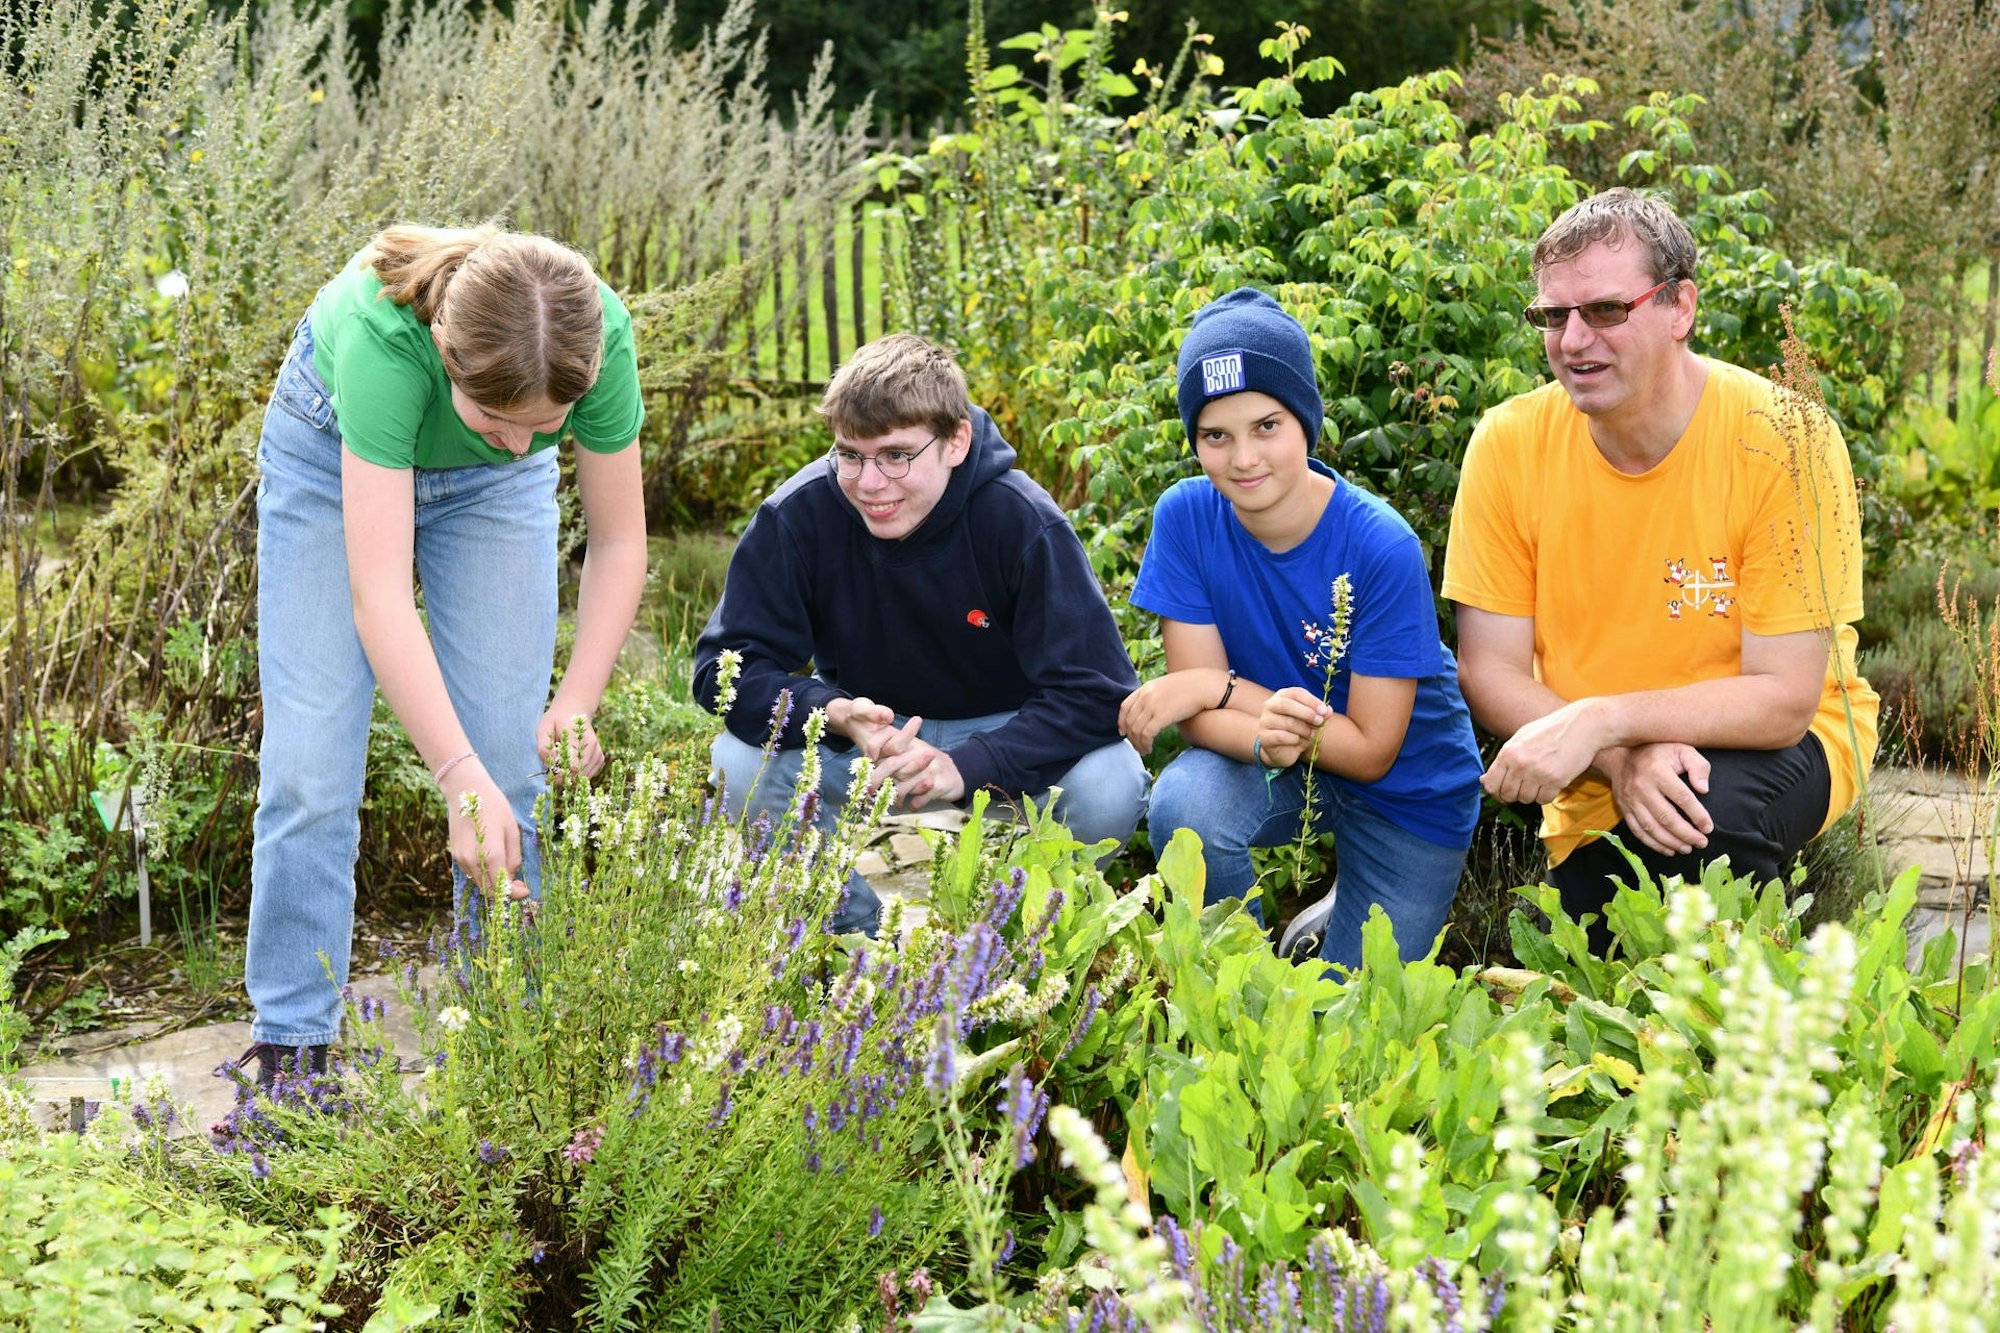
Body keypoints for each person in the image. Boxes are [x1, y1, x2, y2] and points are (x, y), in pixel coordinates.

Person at [243, 224, 647, 1085]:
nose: (519, 442)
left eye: (544, 427)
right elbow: (381, 598)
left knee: (508, 763)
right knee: (311, 767)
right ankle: (291, 1055)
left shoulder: (594, 340)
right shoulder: (382, 339)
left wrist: (576, 700)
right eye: (497, 420)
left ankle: (503, 1053)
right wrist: (454, 776)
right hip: (328, 449)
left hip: (492, 499)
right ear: (443, 351)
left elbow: (618, 541)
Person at [1441, 188, 1878, 950]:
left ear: (1680, 307)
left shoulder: (1785, 438)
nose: (1574, 339)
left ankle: (1752, 1006)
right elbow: (1488, 668)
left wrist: (1603, 720)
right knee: (1597, 954)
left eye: (1606, 310)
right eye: (1553, 315)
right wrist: (1618, 757)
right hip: (1601, 772)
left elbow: (1784, 698)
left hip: (1782, 739)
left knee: (1709, 822)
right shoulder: (1508, 445)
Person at [691, 334, 1146, 934]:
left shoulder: (1020, 520)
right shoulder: (799, 514)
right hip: (867, 740)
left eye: (896, 455)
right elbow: (723, 669)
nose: (869, 482)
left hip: (1003, 736)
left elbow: (1098, 692)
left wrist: (968, 765)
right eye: (850, 455)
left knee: (1110, 780)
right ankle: (850, 936)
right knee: (740, 762)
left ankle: (1017, 936)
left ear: (955, 441)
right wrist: (834, 713)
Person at [1121, 289, 1484, 970]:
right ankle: (1243, 982)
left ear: (1306, 422)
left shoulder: (1381, 544)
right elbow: (1201, 720)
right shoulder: (1186, 518)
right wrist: (1256, 728)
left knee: (1358, 1016)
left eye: (1267, 426)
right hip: (1283, 762)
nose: (1243, 458)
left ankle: (1340, 912)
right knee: (1186, 803)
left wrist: (1214, 686)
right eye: (1215, 435)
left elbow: (1370, 751)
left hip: (1409, 792)